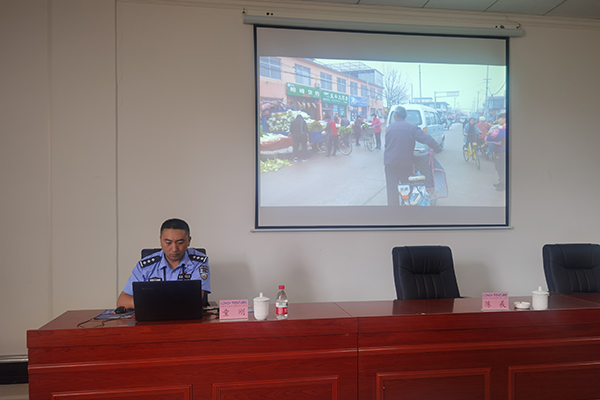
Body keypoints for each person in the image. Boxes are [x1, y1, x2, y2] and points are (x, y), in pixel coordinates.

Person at [117, 218, 210, 309]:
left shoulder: (199, 262)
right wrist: (156, 305)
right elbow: (122, 300)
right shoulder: (146, 266)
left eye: (180, 242)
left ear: (188, 241)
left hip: (186, 316)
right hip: (152, 316)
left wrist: (151, 303)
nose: (174, 249)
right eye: (168, 243)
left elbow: (194, 299)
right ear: (161, 240)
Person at [384, 105, 442, 206]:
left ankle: (393, 210)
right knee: (407, 186)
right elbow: (426, 138)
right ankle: (408, 205)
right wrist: (437, 148)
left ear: (395, 116)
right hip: (405, 163)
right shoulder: (411, 127)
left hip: (390, 163)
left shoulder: (389, 128)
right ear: (405, 116)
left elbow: (387, 145)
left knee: (392, 188)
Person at [486, 113, 507, 191]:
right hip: (498, 150)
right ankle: (501, 182)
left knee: (501, 168)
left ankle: (503, 184)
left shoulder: (504, 129)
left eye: (499, 118)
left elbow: (497, 138)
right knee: (498, 167)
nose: (498, 120)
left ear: (504, 119)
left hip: (502, 151)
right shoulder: (500, 127)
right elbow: (492, 134)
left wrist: (487, 138)